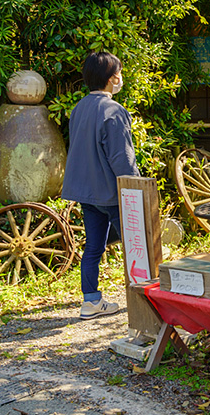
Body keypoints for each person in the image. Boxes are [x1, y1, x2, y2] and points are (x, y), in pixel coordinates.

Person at [62, 51, 138, 319]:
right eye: (119, 72)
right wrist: (137, 188)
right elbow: (122, 158)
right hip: (113, 193)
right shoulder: (114, 111)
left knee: (94, 246)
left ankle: (91, 301)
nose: (121, 77)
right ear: (111, 78)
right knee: (136, 245)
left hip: (86, 191)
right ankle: (145, 299)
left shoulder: (79, 107)